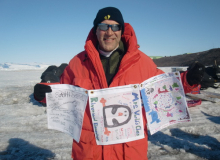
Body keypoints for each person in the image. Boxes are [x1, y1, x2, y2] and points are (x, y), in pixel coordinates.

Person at [34, 7, 204, 160]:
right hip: (89, 152)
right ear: (95, 30)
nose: (109, 32)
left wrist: (188, 80)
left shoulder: (142, 63)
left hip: (128, 152)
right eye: (103, 26)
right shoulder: (77, 63)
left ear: (121, 30)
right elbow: (62, 92)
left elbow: (164, 86)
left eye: (115, 26)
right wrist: (44, 94)